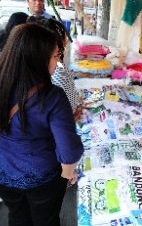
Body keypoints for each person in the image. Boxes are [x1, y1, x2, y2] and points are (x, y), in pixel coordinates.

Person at [0, 23, 84, 225]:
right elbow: (69, 152)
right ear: (37, 58)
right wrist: (67, 175)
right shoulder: (52, 97)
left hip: (4, 174)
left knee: (17, 217)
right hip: (42, 177)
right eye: (56, 56)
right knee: (45, 220)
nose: (58, 62)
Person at [26, 16, 81, 117]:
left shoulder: (57, 63)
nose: (66, 40)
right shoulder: (56, 70)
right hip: (69, 116)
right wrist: (72, 117)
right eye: (64, 37)